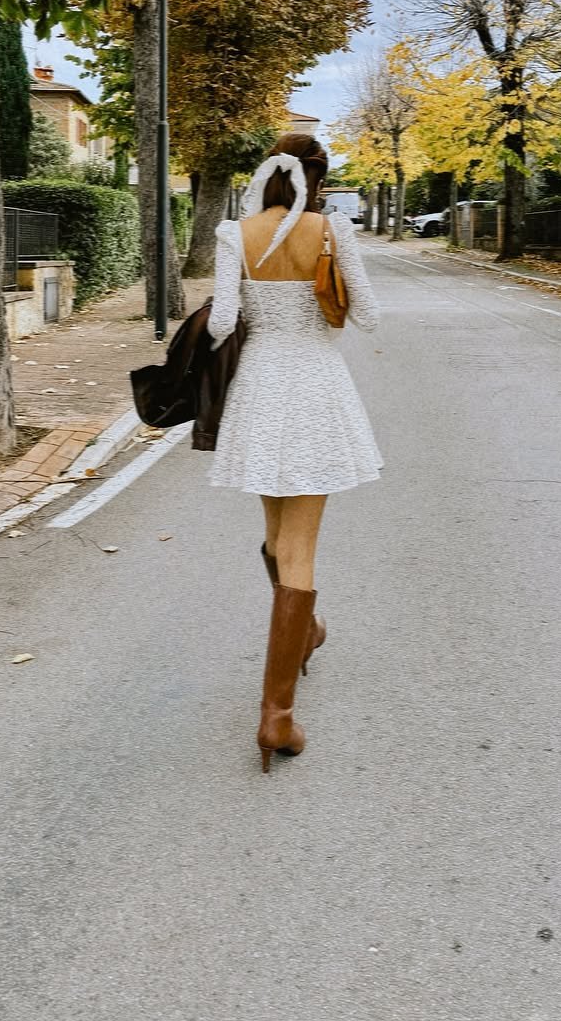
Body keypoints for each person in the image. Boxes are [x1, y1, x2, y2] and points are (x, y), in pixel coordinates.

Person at [206, 133, 382, 773]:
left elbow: (224, 324)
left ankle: (304, 633)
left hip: (258, 387)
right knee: (300, 547)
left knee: (278, 537)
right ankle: (276, 714)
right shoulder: (333, 231)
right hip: (314, 387)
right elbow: (369, 317)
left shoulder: (235, 235)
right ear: (319, 177)